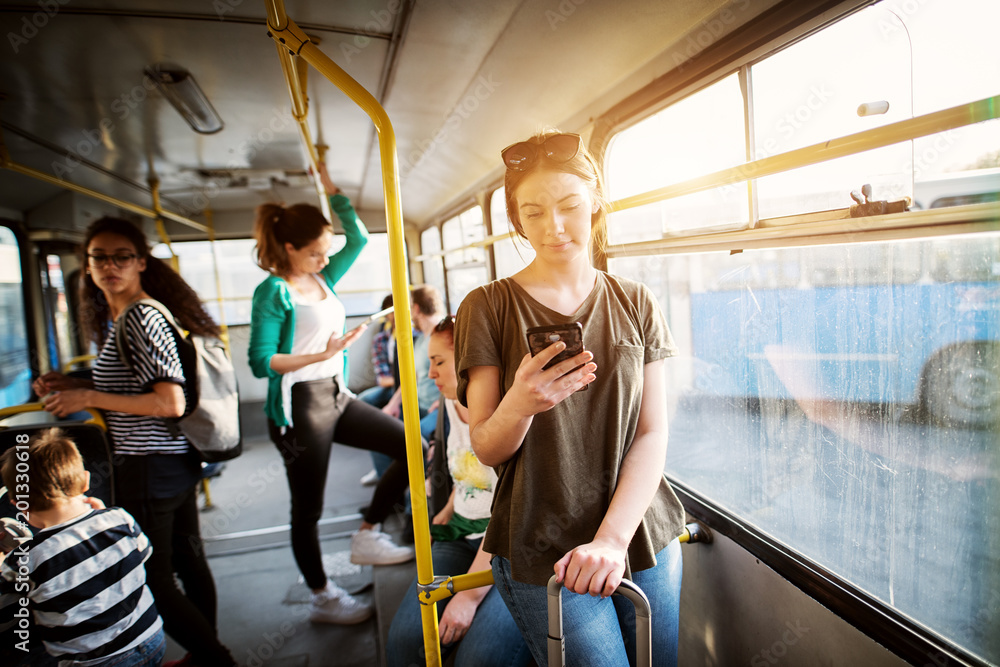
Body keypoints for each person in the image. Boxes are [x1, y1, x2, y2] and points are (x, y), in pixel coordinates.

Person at [455, 131, 686, 666]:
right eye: (532, 213)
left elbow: (653, 431)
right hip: (544, 546)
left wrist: (610, 540)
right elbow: (487, 447)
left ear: (595, 204)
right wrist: (520, 403)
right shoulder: (487, 306)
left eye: (569, 207)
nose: (553, 227)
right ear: (517, 220)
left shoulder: (635, 300)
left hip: (641, 532)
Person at [32, 217, 236, 667]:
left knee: (157, 577)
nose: (111, 265)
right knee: (188, 563)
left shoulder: (140, 317)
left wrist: (85, 395)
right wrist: (73, 381)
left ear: (141, 262)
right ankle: (210, 655)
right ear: (86, 266)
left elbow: (169, 401)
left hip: (149, 467)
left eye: (122, 256)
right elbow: (133, 389)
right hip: (172, 463)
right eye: (99, 257)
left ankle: (216, 658)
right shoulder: (127, 316)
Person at [248, 163, 417, 626]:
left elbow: (358, 237)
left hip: (336, 394)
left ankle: (367, 534)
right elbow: (261, 361)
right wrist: (323, 352)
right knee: (308, 509)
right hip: (299, 406)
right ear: (289, 249)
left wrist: (332, 190)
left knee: (412, 447)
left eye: (327, 252)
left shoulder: (321, 278)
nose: (327, 259)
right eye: (317, 253)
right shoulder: (274, 292)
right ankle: (322, 596)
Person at [386, 316, 531, 667]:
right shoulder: (450, 406)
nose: (431, 374)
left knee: (478, 660)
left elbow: (511, 512)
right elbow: (465, 470)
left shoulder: (512, 416)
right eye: (429, 363)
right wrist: (451, 505)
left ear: (469, 359)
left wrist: (467, 597)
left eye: (439, 362)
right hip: (460, 534)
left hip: (505, 549)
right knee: (406, 642)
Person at [0, 428, 165, 667]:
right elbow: (144, 553)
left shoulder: (25, 560)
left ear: (18, 504)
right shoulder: (120, 518)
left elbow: (6, 617)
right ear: (86, 480)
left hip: (95, 662)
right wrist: (100, 519)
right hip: (151, 639)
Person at [381, 284, 446, 441]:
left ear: (416, 309)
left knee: (409, 439)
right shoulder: (419, 341)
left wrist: (446, 402)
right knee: (381, 432)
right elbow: (412, 378)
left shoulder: (445, 337)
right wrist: (393, 403)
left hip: (438, 407)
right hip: (418, 405)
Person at [356, 294, 397, 486]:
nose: (395, 316)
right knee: (362, 403)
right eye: (391, 312)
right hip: (391, 386)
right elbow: (383, 378)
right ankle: (380, 470)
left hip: (405, 387)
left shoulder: (417, 336)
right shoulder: (382, 338)